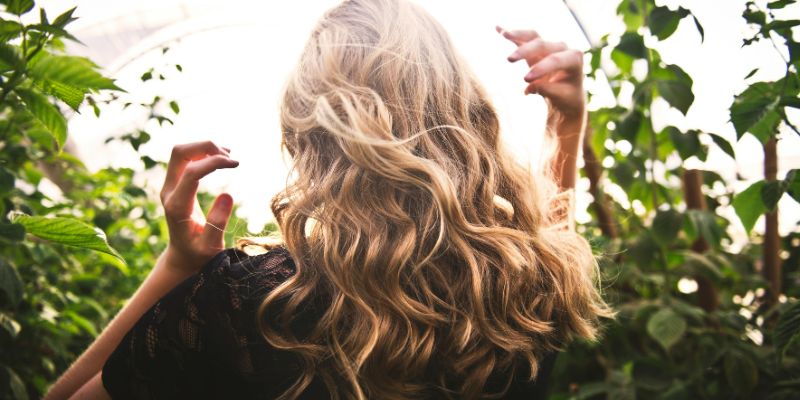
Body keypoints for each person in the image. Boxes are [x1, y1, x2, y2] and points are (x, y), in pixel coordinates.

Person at [47, 0, 612, 398]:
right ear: (460, 111)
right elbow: (546, 235)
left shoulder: (255, 304)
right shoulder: (527, 284)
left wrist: (178, 266)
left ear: (308, 132)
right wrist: (567, 122)